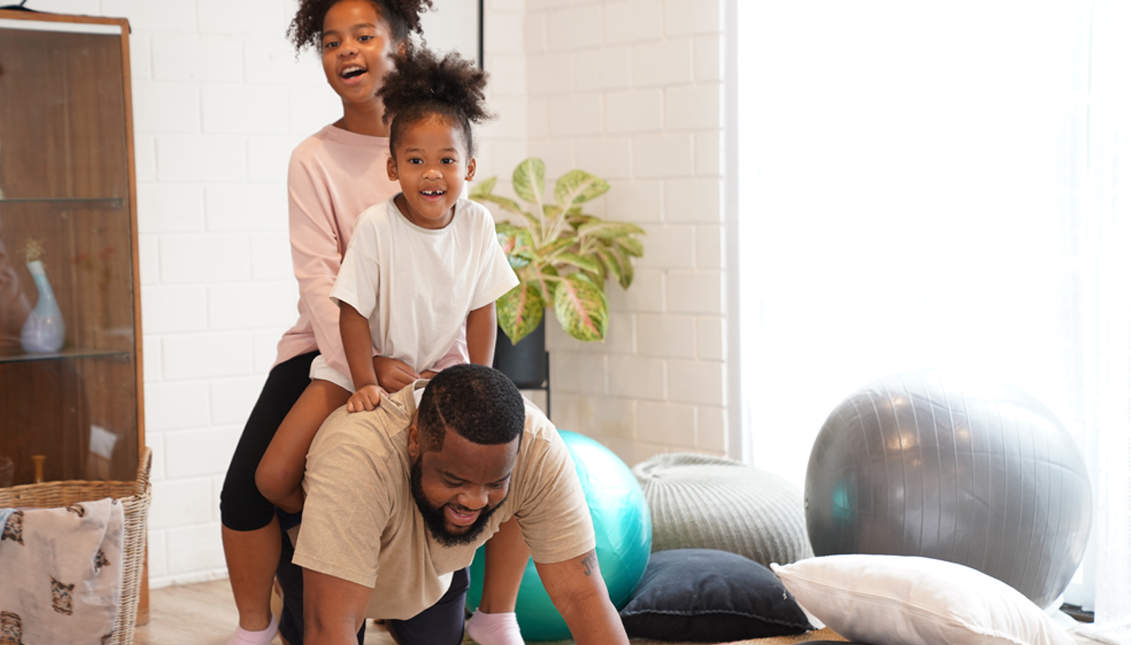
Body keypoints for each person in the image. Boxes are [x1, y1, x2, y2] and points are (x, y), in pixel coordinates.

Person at [218, 4, 527, 645]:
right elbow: (321, 281)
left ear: (403, 46)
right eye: (332, 41)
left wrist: (463, 375)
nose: (346, 50)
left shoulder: (439, 138)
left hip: (428, 355)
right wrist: (370, 370)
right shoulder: (313, 158)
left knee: (513, 464)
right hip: (330, 349)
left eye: (364, 35)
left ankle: (494, 612)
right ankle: (261, 623)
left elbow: (463, 280)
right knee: (252, 488)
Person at [280, 364, 632, 645]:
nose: (476, 500)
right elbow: (332, 629)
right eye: (454, 480)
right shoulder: (359, 456)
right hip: (328, 566)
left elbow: (582, 596)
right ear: (414, 439)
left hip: (435, 566)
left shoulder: (537, 447)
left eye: (496, 483)